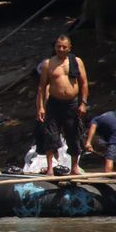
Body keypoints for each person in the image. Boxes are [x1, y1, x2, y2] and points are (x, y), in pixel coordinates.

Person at [37, 34, 89, 175]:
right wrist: (40, 107)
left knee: (74, 134)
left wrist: (83, 103)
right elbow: (42, 87)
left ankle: (74, 167)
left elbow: (84, 83)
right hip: (54, 103)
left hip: (72, 104)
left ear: (69, 48)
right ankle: (49, 168)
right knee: (50, 135)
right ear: (55, 47)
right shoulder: (48, 63)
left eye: (64, 47)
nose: (61, 49)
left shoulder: (76, 62)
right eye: (58, 46)